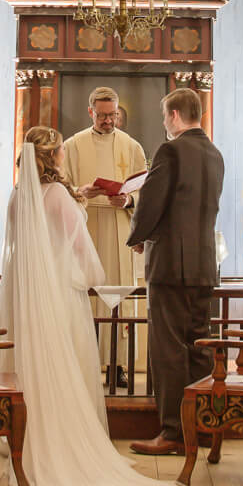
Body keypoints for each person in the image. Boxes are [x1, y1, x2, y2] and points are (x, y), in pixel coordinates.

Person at [0, 127, 198, 486]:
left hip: (26, 304)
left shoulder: (18, 197)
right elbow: (87, 261)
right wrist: (93, 276)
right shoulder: (60, 198)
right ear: (53, 157)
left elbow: (17, 255)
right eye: (60, 152)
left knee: (36, 371)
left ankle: (30, 442)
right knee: (65, 370)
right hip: (60, 302)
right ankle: (64, 442)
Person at [125, 88, 224, 456]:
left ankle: (172, 433)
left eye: (166, 115)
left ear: (175, 115)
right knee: (199, 348)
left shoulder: (171, 150)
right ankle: (202, 428)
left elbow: (152, 201)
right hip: (204, 265)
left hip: (169, 267)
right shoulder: (215, 154)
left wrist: (137, 236)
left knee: (167, 350)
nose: (165, 122)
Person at [64, 86, 147, 381]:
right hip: (85, 227)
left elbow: (145, 189)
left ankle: (117, 365)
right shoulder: (73, 146)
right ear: (91, 112)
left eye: (112, 115)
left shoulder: (132, 147)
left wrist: (128, 200)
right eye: (101, 115)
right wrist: (80, 191)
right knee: (85, 294)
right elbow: (60, 186)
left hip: (119, 226)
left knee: (118, 295)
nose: (108, 120)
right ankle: (82, 365)